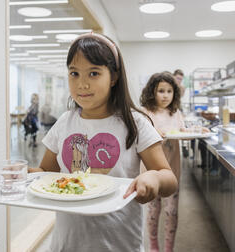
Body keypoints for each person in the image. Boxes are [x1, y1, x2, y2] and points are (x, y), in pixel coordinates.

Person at [29, 33, 178, 252]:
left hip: (119, 243)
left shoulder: (135, 123)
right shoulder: (64, 122)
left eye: (94, 73)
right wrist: (26, 176)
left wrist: (154, 177)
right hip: (68, 243)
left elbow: (170, 179)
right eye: (74, 73)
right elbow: (45, 173)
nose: (82, 83)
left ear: (114, 77)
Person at [140, 71, 185, 252]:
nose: (165, 95)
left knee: (171, 211)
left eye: (169, 91)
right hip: (151, 170)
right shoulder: (145, 113)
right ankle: (153, 247)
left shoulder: (176, 113)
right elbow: (139, 137)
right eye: (161, 91)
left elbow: (183, 131)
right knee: (153, 210)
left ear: (175, 93)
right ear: (152, 92)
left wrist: (198, 130)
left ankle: (168, 248)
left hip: (173, 169)